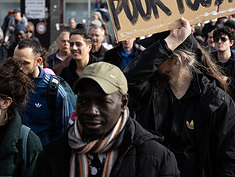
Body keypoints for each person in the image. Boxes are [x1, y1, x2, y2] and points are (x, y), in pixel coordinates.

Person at [124, 17, 235, 176]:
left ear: (177, 60)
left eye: (162, 52)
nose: (154, 57)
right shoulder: (150, 91)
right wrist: (169, 44)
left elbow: (232, 161)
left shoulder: (216, 102)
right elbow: (125, 80)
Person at [33, 62, 180, 177]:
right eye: (83, 101)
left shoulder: (155, 157)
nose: (92, 111)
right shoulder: (52, 155)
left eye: (103, 102)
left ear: (123, 102)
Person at [13, 38, 74, 147]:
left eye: (25, 63)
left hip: (43, 155)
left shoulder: (54, 90)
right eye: (16, 62)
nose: (20, 68)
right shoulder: (10, 84)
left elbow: (64, 132)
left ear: (38, 61)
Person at [212, 26, 235, 112]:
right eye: (216, 39)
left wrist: (228, 80)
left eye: (223, 39)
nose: (219, 42)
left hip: (234, 109)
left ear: (231, 42)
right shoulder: (208, 62)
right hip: (213, 109)